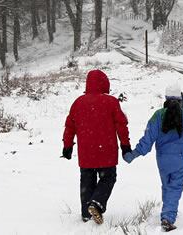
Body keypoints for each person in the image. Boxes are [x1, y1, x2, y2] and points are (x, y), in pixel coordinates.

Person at [123, 83, 183, 232]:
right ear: (180, 98)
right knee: (175, 187)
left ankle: (167, 212)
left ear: (166, 98)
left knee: (167, 186)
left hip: (163, 160)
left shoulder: (158, 115)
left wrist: (133, 154)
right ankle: (168, 217)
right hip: (181, 158)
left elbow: (147, 140)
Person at [62, 69, 131, 224]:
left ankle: (86, 214)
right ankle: (97, 203)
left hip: (86, 153)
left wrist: (67, 146)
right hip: (106, 151)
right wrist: (125, 145)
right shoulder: (112, 102)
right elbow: (121, 125)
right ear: (104, 84)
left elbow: (69, 126)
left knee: (87, 181)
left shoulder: (78, 103)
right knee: (108, 178)